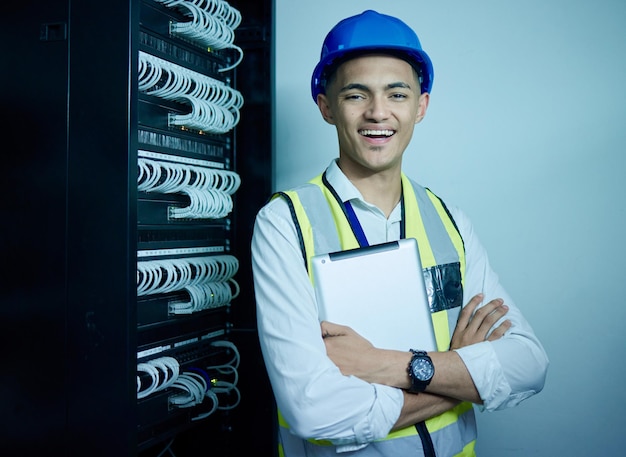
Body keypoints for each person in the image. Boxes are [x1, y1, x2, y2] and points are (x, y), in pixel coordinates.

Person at [251, 9, 549, 457]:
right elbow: (313, 410)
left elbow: (529, 364)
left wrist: (386, 366)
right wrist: (460, 375)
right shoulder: (284, 224)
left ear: (420, 106)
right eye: (356, 95)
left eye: (397, 93)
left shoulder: (448, 220)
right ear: (326, 105)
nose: (378, 112)